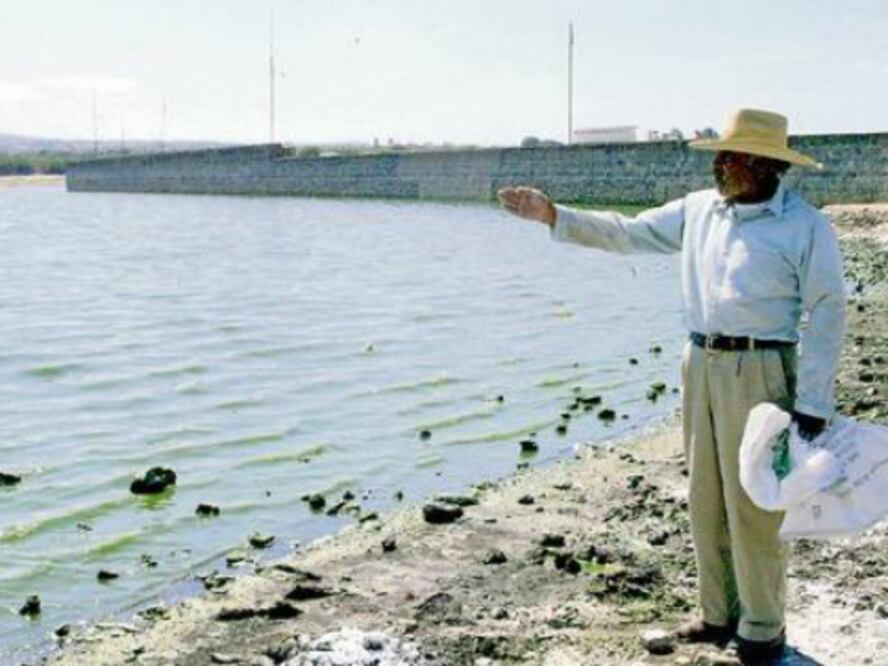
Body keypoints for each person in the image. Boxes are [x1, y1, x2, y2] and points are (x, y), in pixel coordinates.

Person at [498, 109, 846, 663]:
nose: (718, 166)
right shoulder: (699, 210)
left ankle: (762, 625)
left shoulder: (805, 226)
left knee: (755, 499)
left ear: (763, 165)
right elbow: (629, 232)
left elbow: (827, 312)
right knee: (706, 494)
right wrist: (553, 215)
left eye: (728, 157)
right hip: (700, 361)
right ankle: (716, 613)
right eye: (718, 156)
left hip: (762, 368)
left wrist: (813, 402)